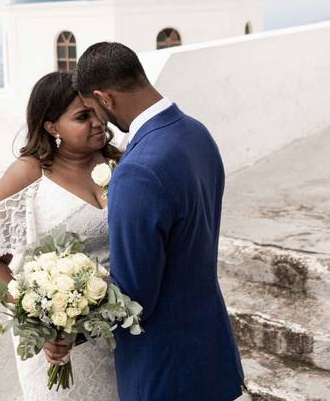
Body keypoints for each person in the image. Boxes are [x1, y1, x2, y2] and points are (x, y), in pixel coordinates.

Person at [72, 41, 245, 401]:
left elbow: (134, 295)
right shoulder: (197, 133)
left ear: (105, 98)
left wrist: (68, 329)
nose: (100, 122)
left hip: (164, 369)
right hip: (211, 350)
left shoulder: (138, 171)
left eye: (93, 109)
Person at [0, 70, 122, 400]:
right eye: (83, 116)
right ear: (51, 126)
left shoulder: (119, 161)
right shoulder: (28, 174)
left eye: (99, 111)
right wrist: (39, 322)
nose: (98, 122)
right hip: (56, 342)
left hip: (117, 328)